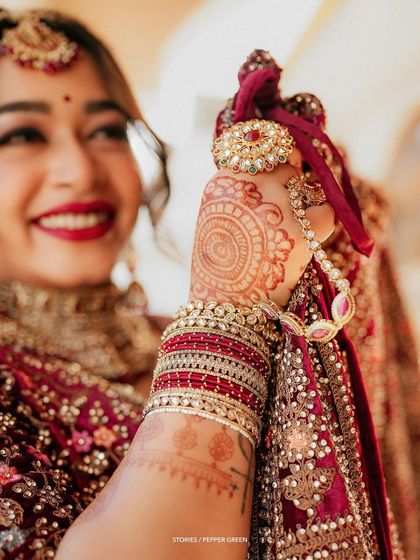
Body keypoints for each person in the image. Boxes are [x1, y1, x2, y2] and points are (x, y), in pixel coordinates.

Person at [0, 9, 416, 559]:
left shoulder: (190, 331)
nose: (79, 169)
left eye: (106, 130)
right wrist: (226, 313)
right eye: (22, 134)